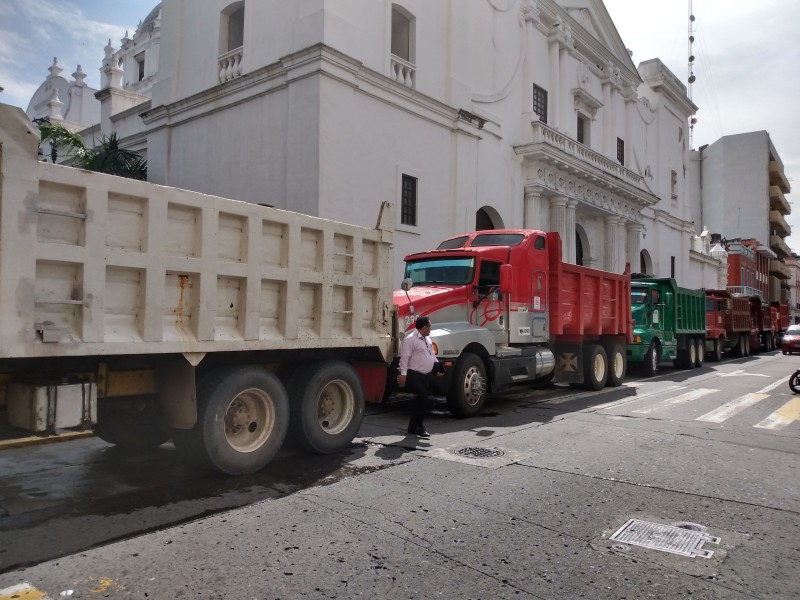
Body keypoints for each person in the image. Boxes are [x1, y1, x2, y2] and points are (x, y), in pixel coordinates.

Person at [397, 316, 444, 438]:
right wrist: (403, 375)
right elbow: (405, 358)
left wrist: (437, 368)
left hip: (426, 375)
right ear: (424, 327)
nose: (430, 329)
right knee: (423, 398)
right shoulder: (410, 340)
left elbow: (432, 356)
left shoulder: (427, 339)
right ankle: (419, 427)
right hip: (414, 374)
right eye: (429, 327)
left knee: (422, 400)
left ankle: (413, 427)